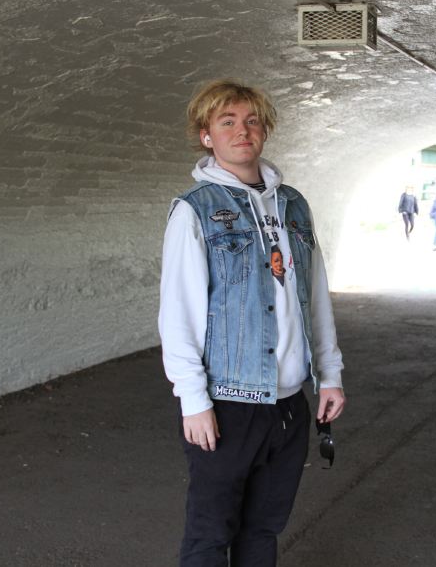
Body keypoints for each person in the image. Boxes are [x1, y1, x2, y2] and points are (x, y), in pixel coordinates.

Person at [158, 79, 346, 566]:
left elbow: (314, 296)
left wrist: (329, 375)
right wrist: (193, 401)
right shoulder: (195, 211)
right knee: (209, 534)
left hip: (288, 406)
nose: (242, 131)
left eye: (251, 121)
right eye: (227, 122)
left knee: (263, 530)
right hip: (228, 404)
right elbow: (178, 313)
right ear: (207, 136)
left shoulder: (294, 205)